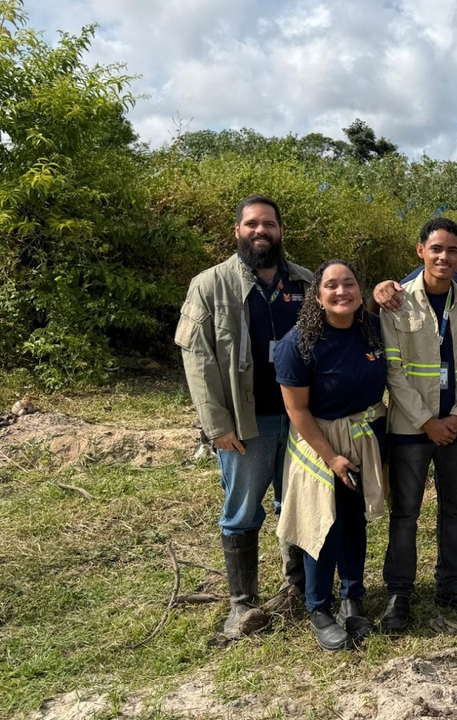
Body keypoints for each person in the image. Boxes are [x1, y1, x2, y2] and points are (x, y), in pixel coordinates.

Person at [175, 194, 311, 642]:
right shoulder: (209, 285)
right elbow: (197, 358)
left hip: (300, 421)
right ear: (237, 231)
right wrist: (216, 425)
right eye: (251, 224)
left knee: (295, 505)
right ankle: (242, 605)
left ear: (280, 231)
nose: (260, 231)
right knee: (242, 511)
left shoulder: (307, 283)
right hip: (244, 424)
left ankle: (297, 590)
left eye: (268, 224)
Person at [374, 209, 457, 577]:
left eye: (451, 250)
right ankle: (399, 591)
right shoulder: (398, 301)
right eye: (436, 249)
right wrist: (426, 421)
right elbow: (393, 370)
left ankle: (453, 583)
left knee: (455, 509)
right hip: (411, 429)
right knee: (405, 513)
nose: (444, 257)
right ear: (421, 250)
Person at [274, 259, 389, 651]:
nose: (342, 292)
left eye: (350, 284)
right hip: (319, 441)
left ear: (360, 291)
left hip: (365, 437)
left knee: (355, 520)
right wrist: (332, 458)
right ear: (318, 296)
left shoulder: (372, 331)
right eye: (332, 286)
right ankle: (319, 607)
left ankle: (352, 596)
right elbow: (297, 411)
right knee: (323, 526)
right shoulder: (299, 343)